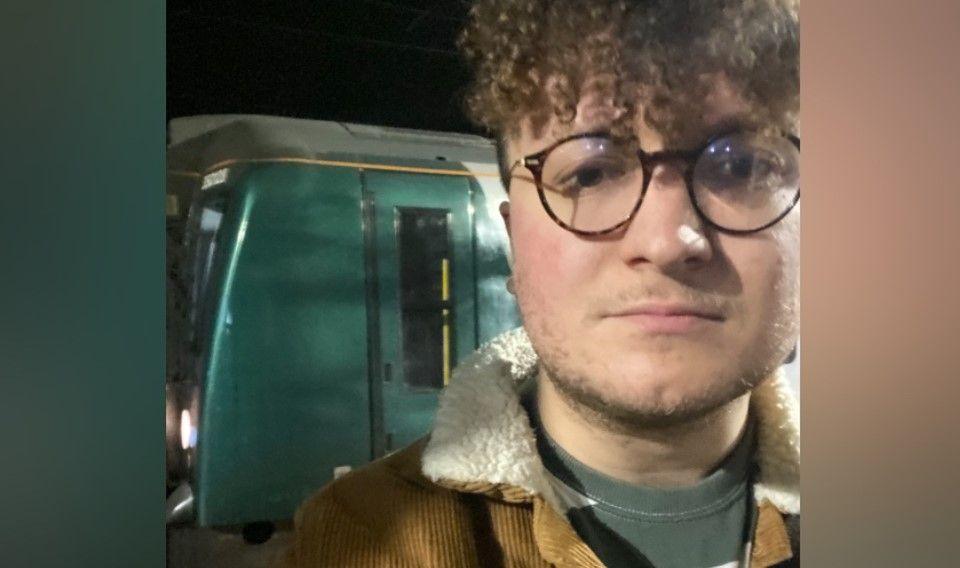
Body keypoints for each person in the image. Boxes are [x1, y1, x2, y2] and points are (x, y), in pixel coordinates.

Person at [281, 0, 800, 566]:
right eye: (591, 172)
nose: (667, 241)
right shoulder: (356, 543)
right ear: (513, 240)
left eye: (743, 167)